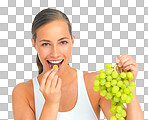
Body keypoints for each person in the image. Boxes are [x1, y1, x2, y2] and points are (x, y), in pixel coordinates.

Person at [12, 8, 144, 120]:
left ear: (72, 41)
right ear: (34, 44)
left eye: (62, 42)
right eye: (46, 44)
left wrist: (129, 84)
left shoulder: (93, 83)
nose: (55, 53)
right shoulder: (23, 92)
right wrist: (51, 103)